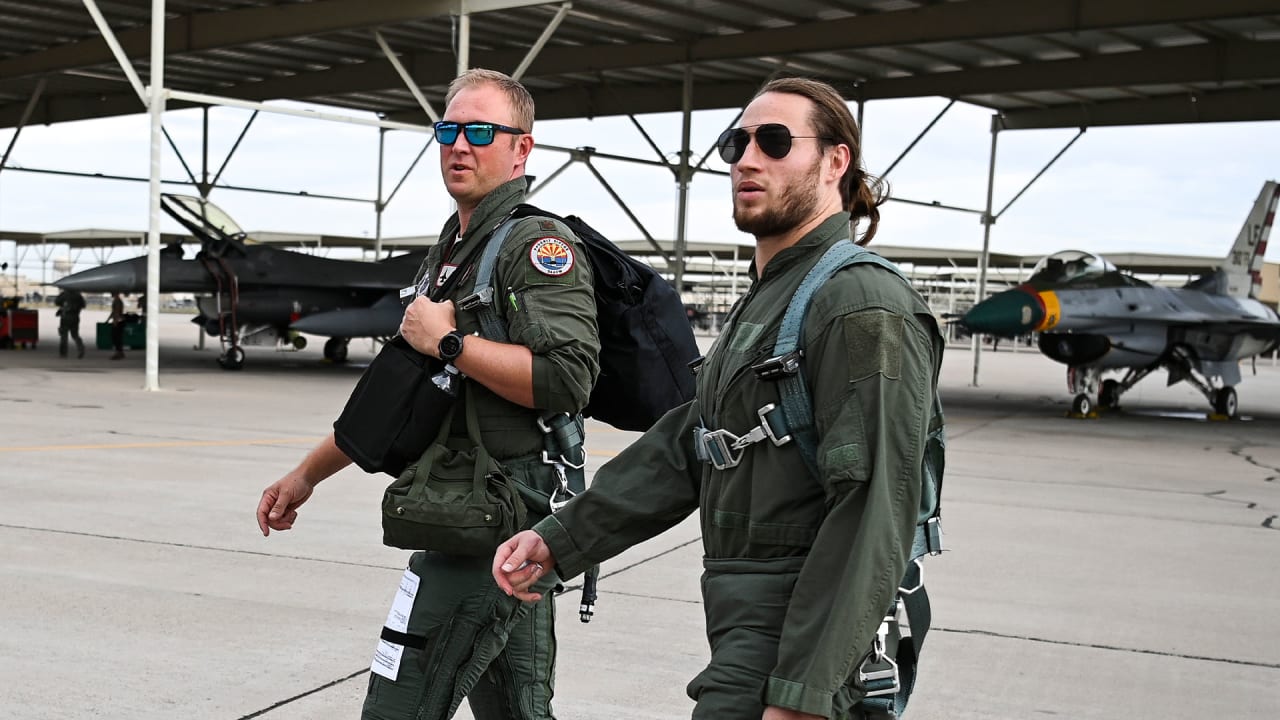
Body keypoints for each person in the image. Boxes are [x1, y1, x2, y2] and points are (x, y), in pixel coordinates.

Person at [494, 77, 945, 720]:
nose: (747, 159)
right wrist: (563, 539)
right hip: (750, 619)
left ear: (836, 161)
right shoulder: (777, 296)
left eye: (776, 141)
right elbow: (693, 442)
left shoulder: (860, 304)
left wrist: (804, 696)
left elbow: (875, 508)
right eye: (736, 142)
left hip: (803, 633)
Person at [256, 68, 600, 720]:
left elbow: (568, 378)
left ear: (521, 148)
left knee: (395, 709)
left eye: (479, 131)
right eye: (448, 130)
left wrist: (450, 344)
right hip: (479, 522)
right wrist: (307, 475)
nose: (459, 145)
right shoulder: (454, 249)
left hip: (497, 523)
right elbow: (395, 395)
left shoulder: (537, 247)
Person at [54, 287, 86, 358]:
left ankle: (63, 354)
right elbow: (83, 305)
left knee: (64, 336)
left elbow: (56, 302)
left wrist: (63, 306)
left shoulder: (64, 294)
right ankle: (81, 349)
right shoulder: (78, 295)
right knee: (75, 335)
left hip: (65, 318)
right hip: (75, 317)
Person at [107, 291, 125, 360]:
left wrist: (115, 322)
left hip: (118, 321)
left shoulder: (117, 301)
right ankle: (120, 352)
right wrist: (108, 320)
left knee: (116, 337)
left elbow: (116, 311)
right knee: (117, 337)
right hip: (118, 320)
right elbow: (113, 312)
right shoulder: (116, 300)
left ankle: (118, 353)